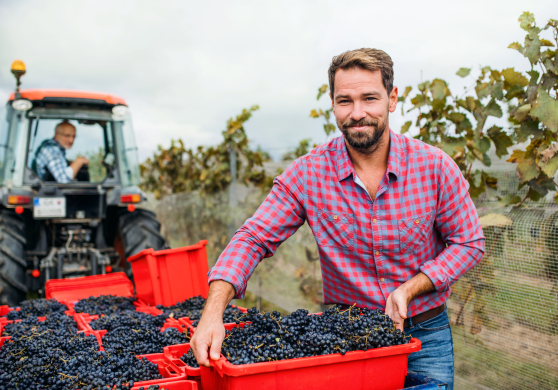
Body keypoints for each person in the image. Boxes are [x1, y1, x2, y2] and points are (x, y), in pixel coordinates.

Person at [190, 48, 484, 389]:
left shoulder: (434, 167)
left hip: (424, 335)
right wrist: (213, 314)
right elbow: (253, 237)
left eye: (369, 98)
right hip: (346, 340)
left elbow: (468, 241)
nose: (357, 113)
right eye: (345, 101)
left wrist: (410, 288)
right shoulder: (309, 173)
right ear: (332, 104)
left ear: (392, 99)